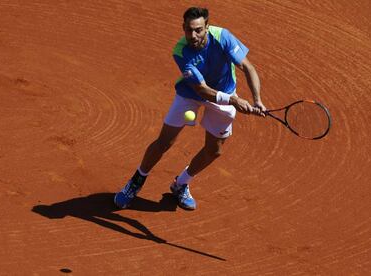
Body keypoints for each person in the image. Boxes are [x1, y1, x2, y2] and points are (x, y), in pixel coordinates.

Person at [114, 7, 266, 210]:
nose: (193, 36)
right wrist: (234, 101)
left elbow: (248, 67)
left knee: (214, 151)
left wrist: (257, 100)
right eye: (189, 30)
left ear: (207, 27)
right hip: (191, 94)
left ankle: (181, 183)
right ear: (183, 28)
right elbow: (201, 89)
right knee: (164, 142)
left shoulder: (223, 37)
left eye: (198, 30)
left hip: (225, 94)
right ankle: (136, 181)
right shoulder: (181, 51)